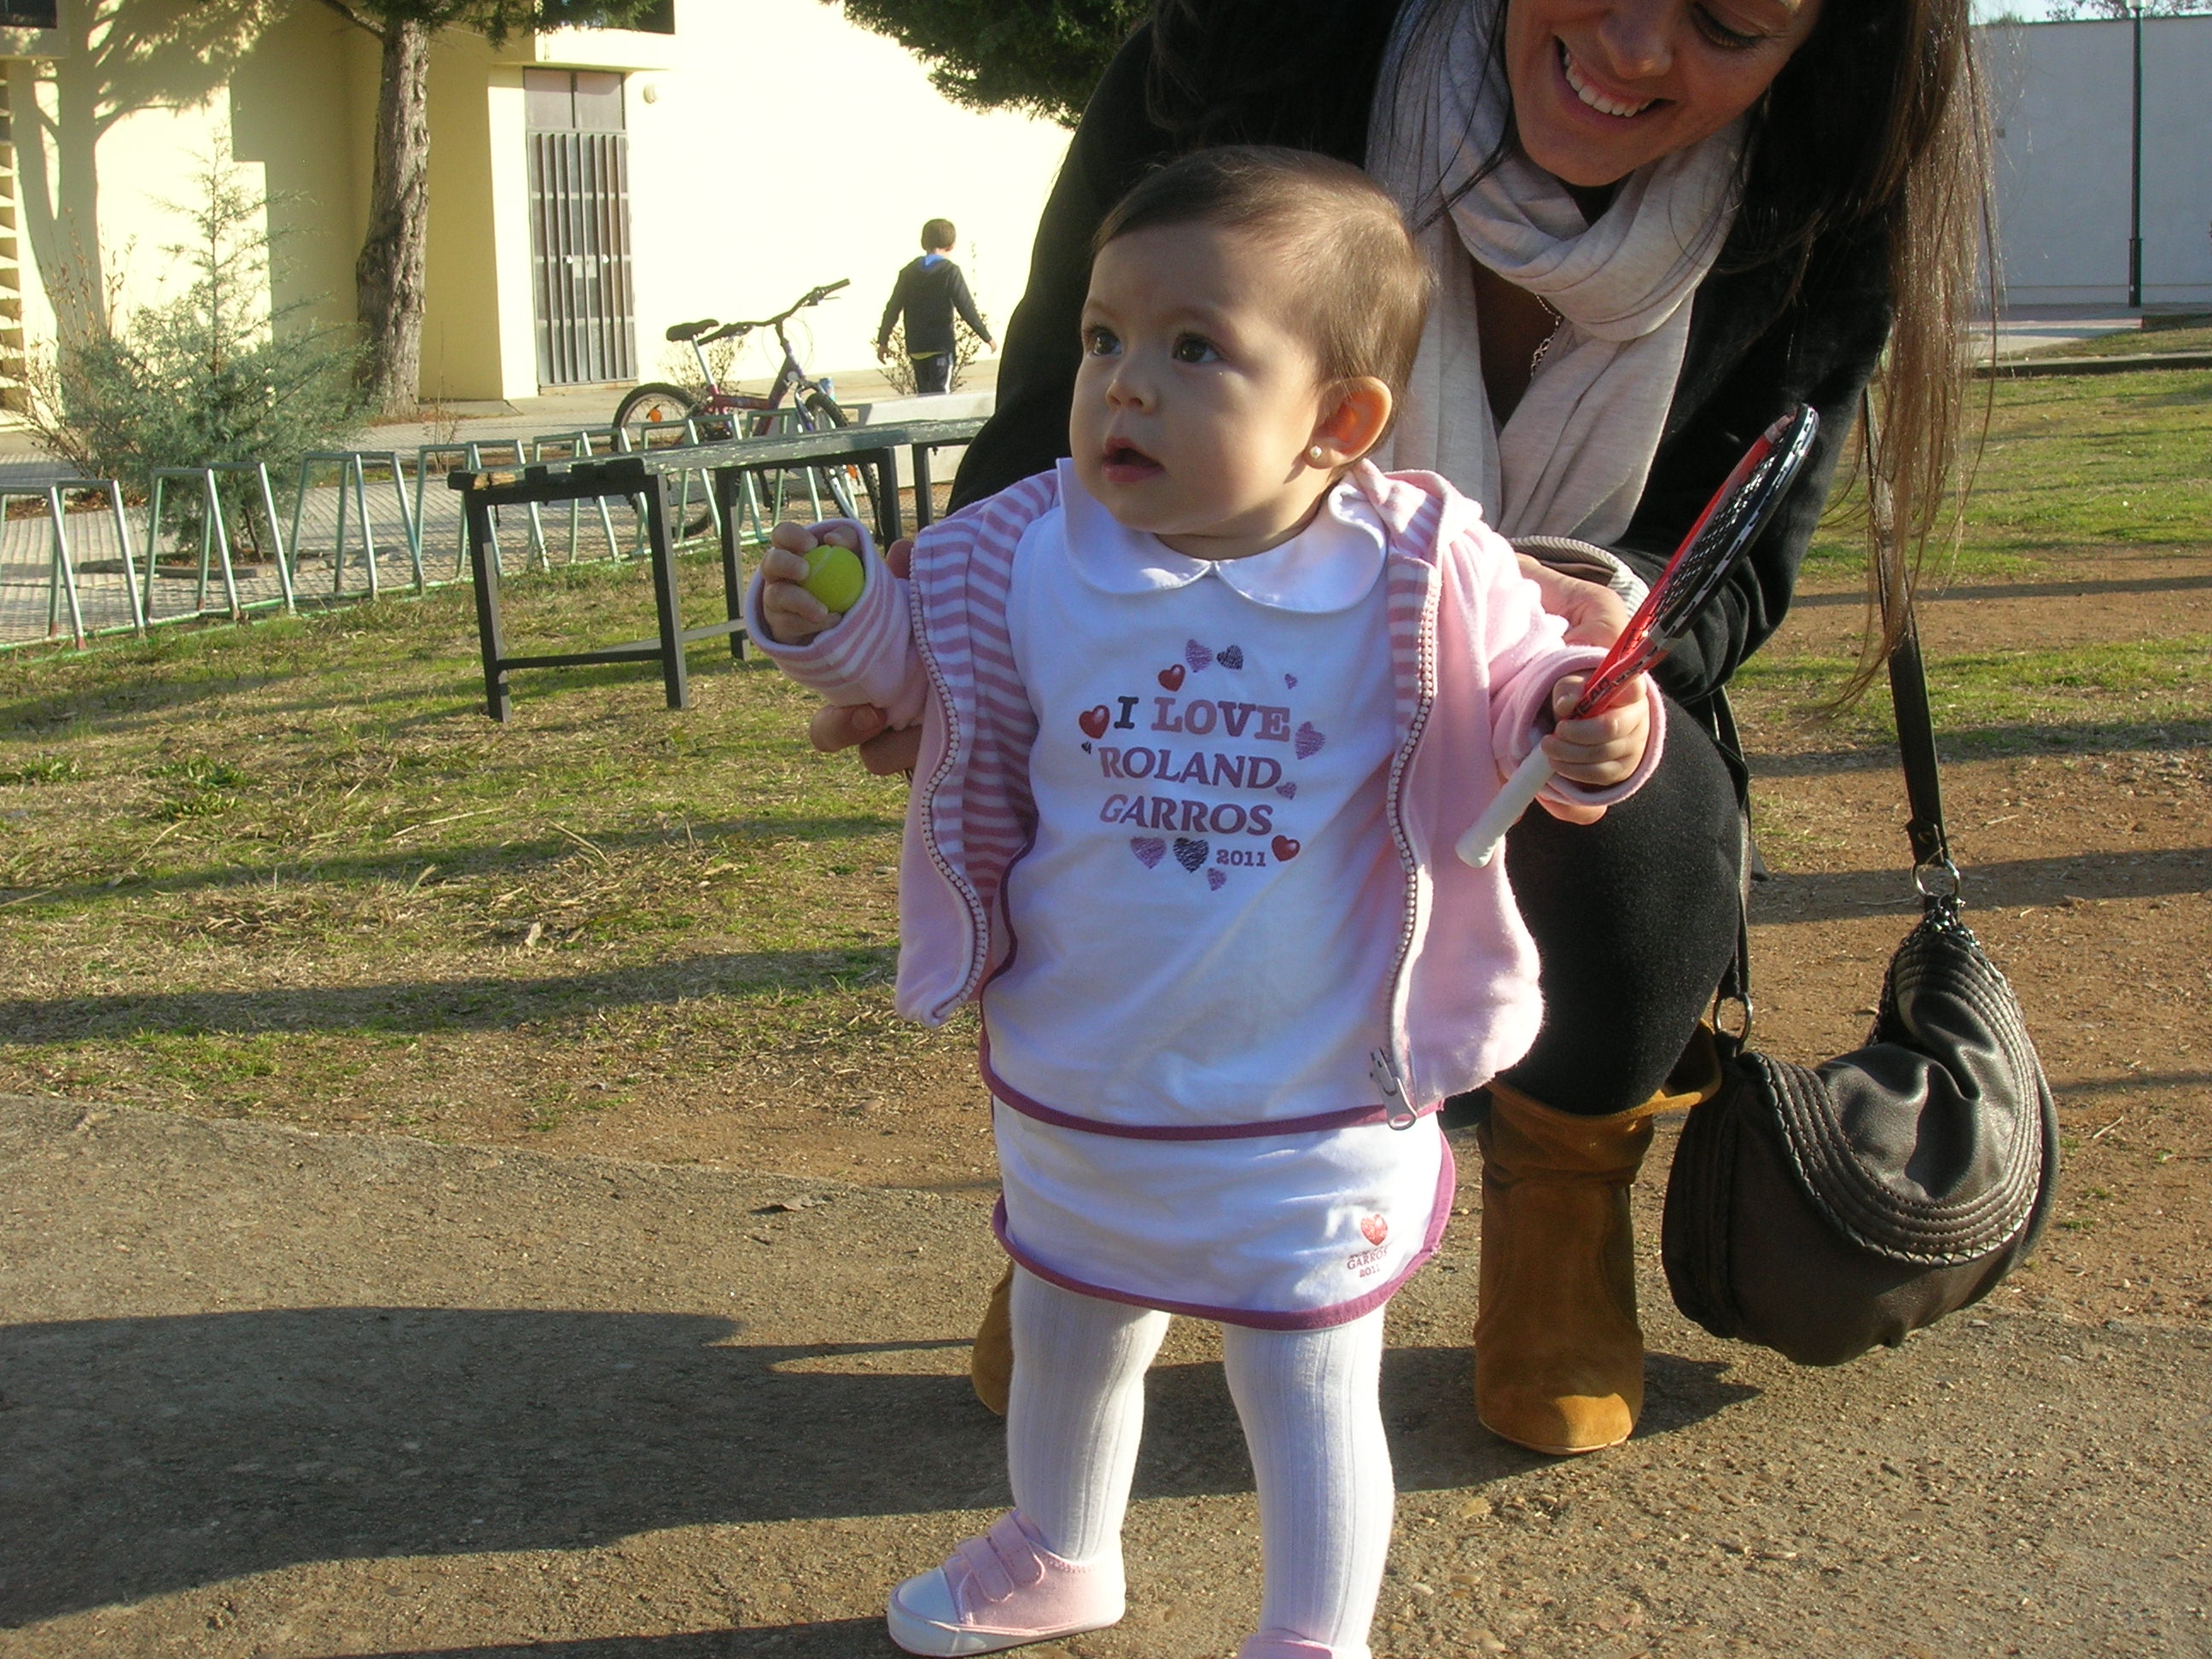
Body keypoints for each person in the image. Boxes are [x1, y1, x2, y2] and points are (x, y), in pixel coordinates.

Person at [813, 0, 1989, 1459]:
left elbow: (1737, 558)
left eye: (1729, 20)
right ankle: (1102, 1208)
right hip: (1195, 649)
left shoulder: (1817, 191)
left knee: (1638, 792)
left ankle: (1560, 1194)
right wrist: (964, 660)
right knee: (1146, 808)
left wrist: (1578, 631)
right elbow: (1052, 415)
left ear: (1821, 49)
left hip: (1508, 686)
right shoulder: (1237, 55)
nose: (1635, 47)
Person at [752, 148, 1661, 1659]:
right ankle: (1060, 1548)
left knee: (1303, 1371)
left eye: (1194, 350)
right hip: (1083, 1067)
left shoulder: (1416, 562)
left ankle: (1312, 1629)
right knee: (1070, 1320)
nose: (1123, 383)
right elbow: (909, 668)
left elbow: (1526, 693)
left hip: (1310, 1092)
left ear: (1339, 421)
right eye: (1105, 337)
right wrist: (833, 617)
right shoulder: (1027, 546)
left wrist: (1587, 720)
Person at [876, 218, 995, 395]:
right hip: (940, 346)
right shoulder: (950, 271)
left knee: (924, 396)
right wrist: (986, 337)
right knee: (941, 398)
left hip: (916, 346)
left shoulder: (908, 272)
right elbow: (966, 307)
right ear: (952, 245)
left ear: (923, 242)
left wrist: (883, 341)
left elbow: (893, 307)